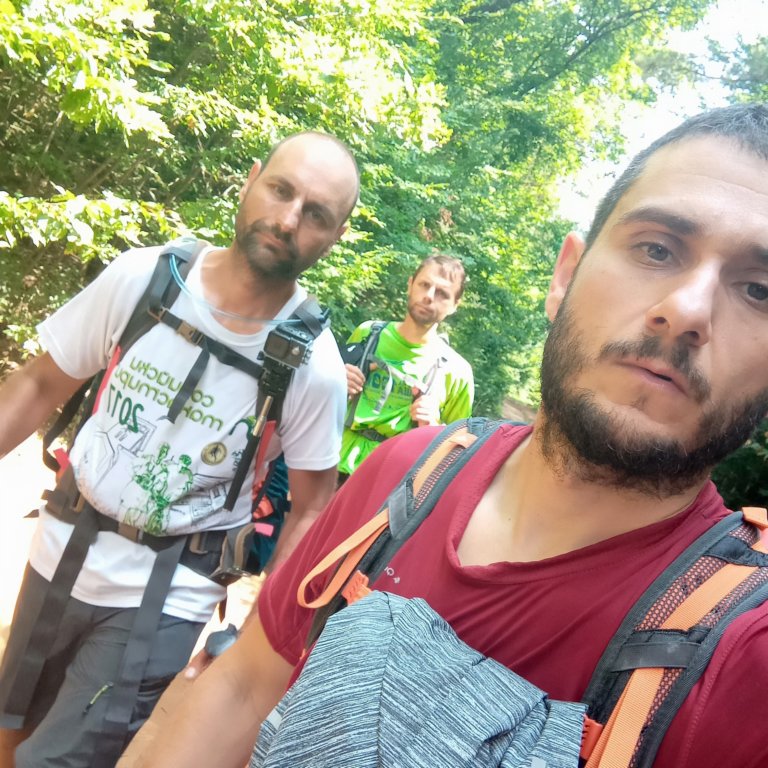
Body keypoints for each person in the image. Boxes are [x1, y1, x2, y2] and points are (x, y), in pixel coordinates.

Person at [129, 103, 768, 768]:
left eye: (758, 290)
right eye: (656, 249)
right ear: (564, 276)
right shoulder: (405, 471)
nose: (688, 310)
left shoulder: (745, 657)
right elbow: (244, 686)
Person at [0, 131, 360, 767]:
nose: (287, 219)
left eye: (315, 214)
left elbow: (311, 507)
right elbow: (37, 384)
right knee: (10, 731)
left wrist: (254, 640)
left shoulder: (315, 367)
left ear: (335, 235)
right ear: (250, 180)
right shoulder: (146, 279)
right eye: (281, 190)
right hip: (61, 547)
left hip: (166, 592)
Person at [339, 254, 474, 479]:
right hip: (334, 463)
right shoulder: (368, 334)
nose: (429, 296)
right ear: (410, 284)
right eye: (425, 285)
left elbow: (459, 453)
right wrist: (336, 381)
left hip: (394, 482)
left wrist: (434, 427)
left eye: (442, 293)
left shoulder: (457, 372)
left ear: (454, 305)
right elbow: (321, 399)